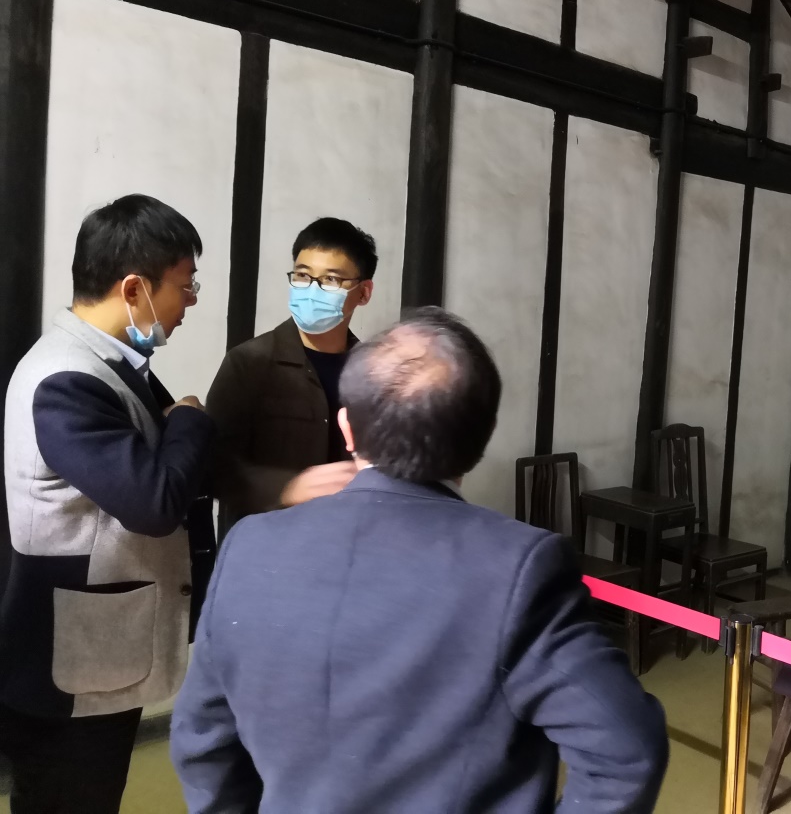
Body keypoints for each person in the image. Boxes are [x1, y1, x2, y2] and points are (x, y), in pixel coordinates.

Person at [171, 307, 669, 813]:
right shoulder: (517, 568)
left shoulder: (249, 548)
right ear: (479, 438)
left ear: (347, 428)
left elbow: (201, 742)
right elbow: (626, 751)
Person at [0, 194, 216, 814]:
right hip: (74, 660)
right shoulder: (67, 379)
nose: (191, 300)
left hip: (100, 650)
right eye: (185, 283)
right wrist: (189, 419)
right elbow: (153, 501)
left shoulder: (113, 363)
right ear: (134, 288)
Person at [206, 218, 378, 535]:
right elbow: (213, 466)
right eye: (302, 276)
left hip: (350, 540)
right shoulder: (249, 363)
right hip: (266, 546)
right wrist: (286, 488)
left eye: (331, 280)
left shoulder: (374, 372)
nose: (312, 289)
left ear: (363, 292)